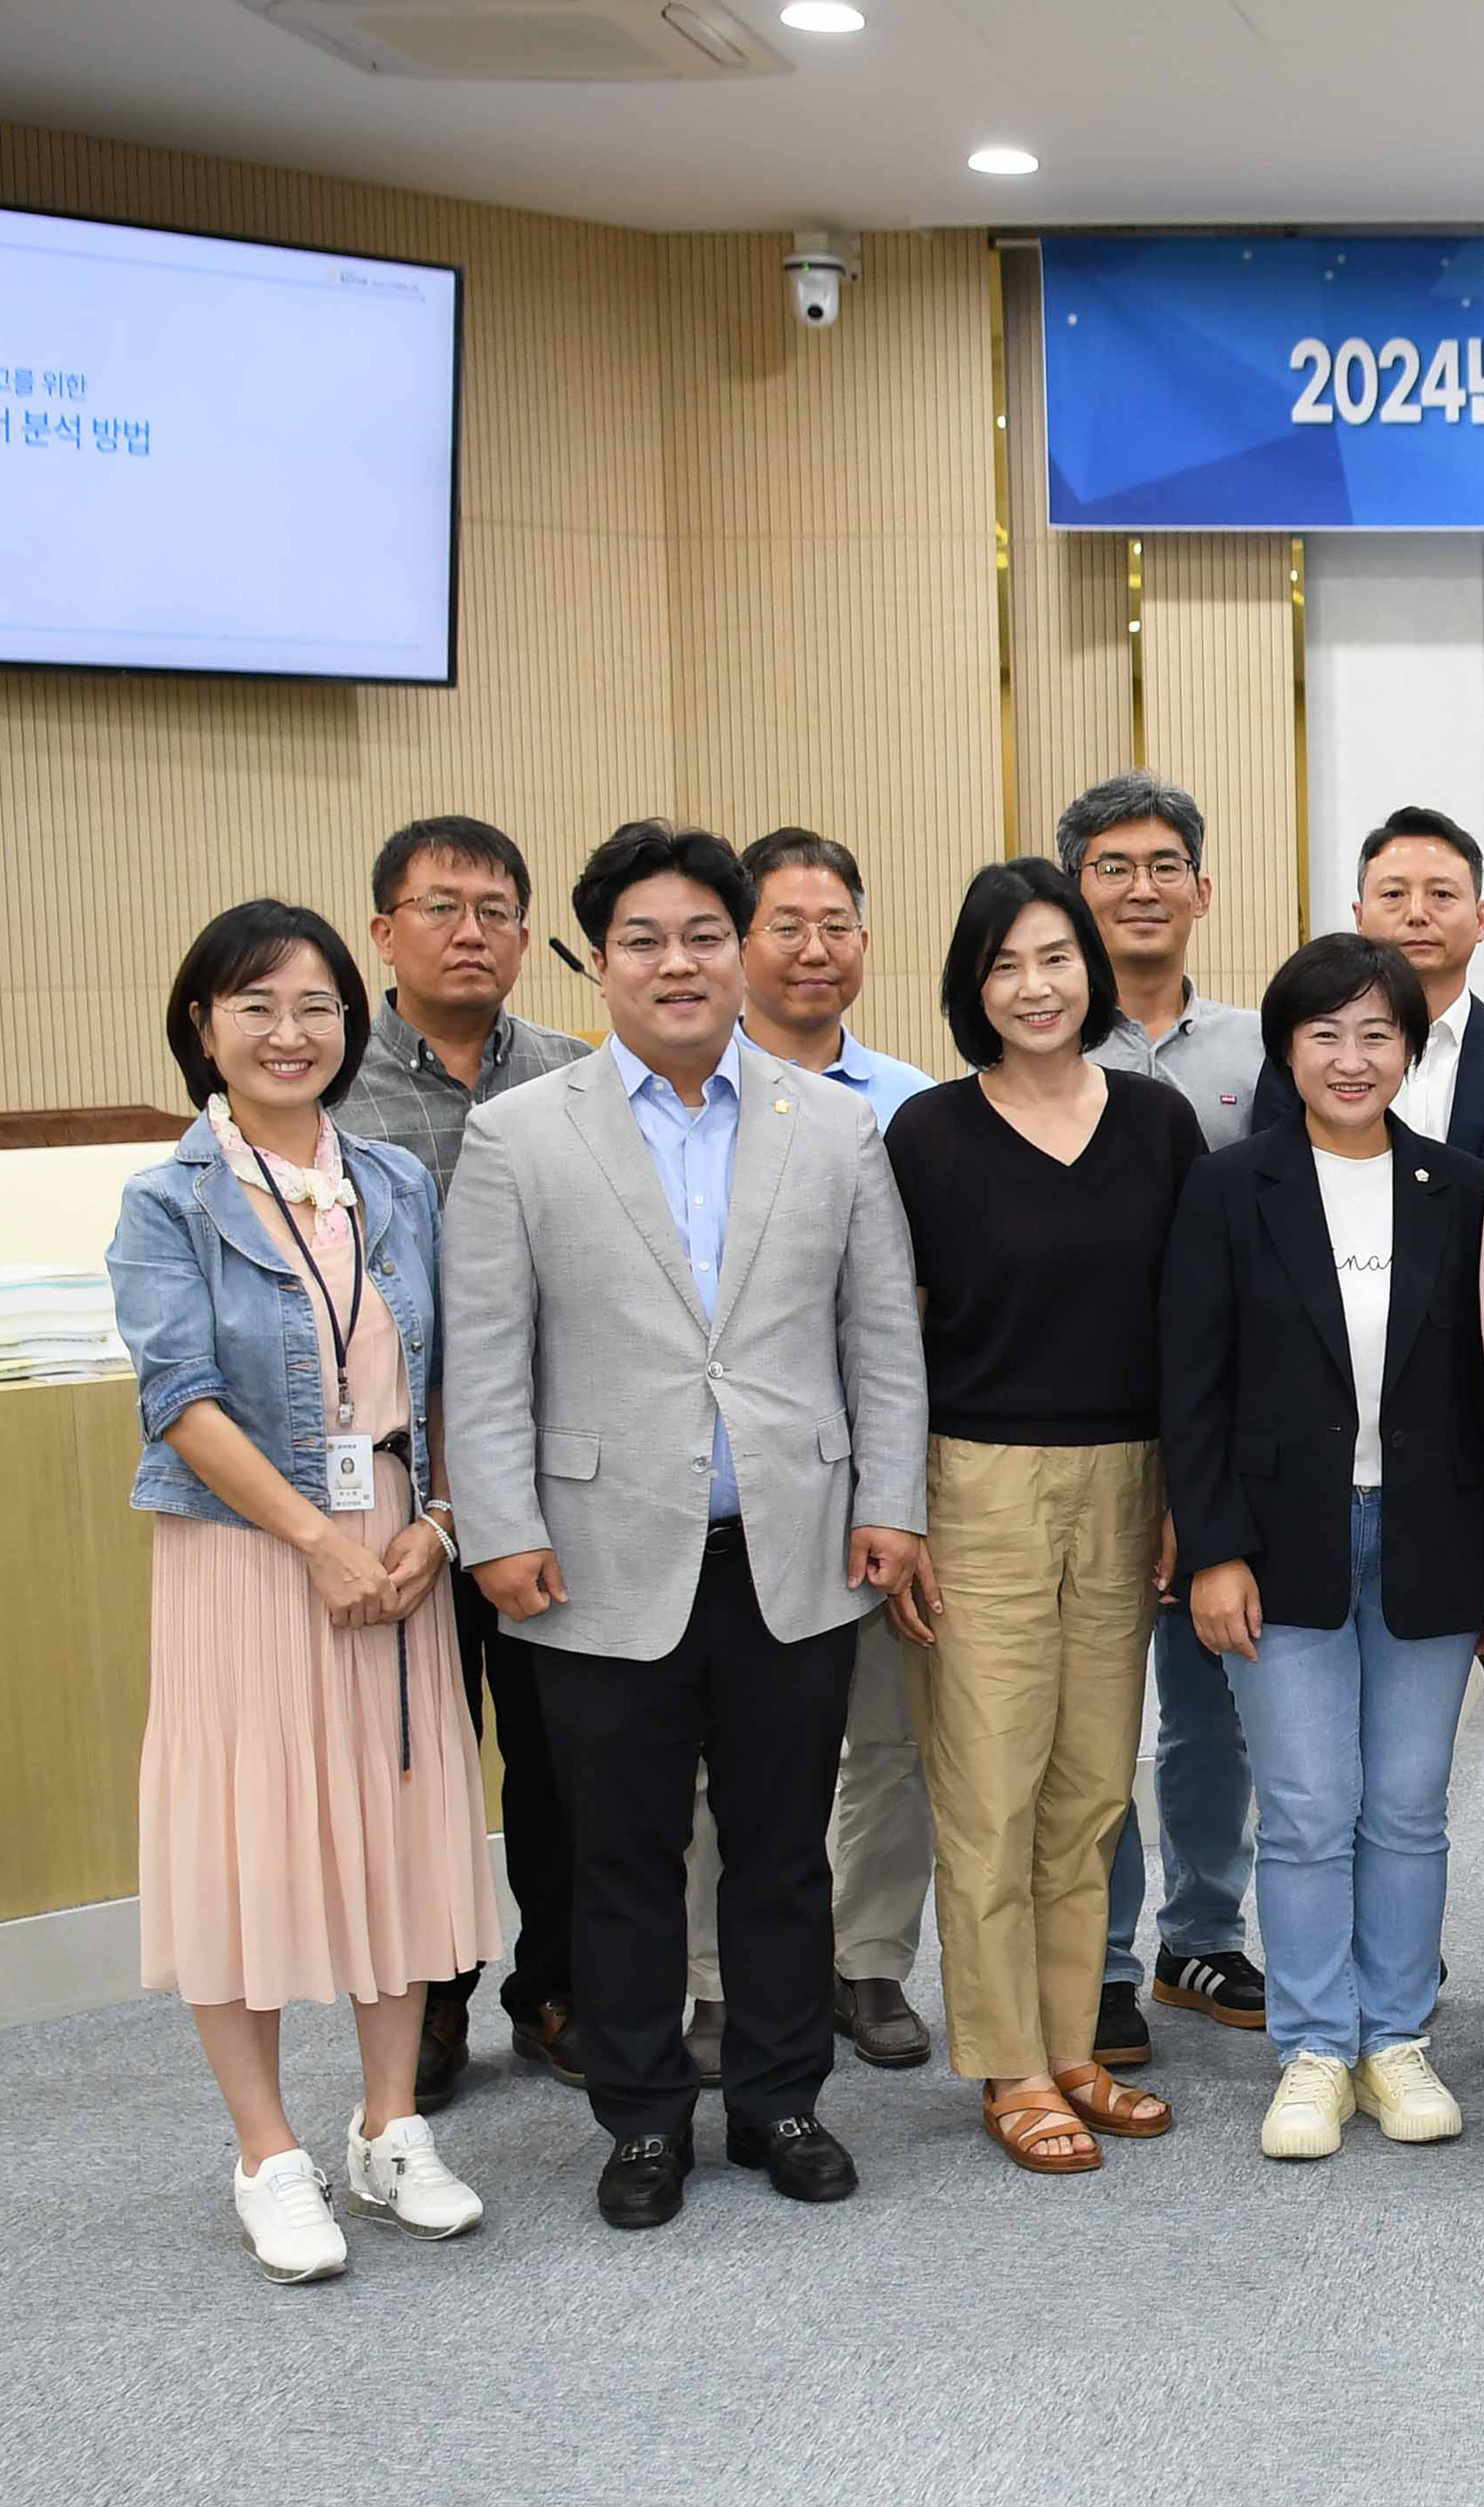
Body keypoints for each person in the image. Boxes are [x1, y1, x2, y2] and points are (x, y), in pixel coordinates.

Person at [441, 821, 931, 2232]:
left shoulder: (831, 1120)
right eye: (642, 940)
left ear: (741, 952)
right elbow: (487, 1355)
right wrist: (498, 1527)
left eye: (703, 936)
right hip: (593, 1558)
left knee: (784, 1848)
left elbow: (877, 1334)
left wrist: (890, 1501)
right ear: (598, 961)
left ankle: (782, 2098)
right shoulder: (519, 1133)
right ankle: (644, 2117)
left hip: (793, 1547)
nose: (677, 962)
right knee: (625, 1854)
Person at [113, 902, 498, 2280]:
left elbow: (451, 1374)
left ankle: (389, 2123)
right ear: (203, 1028)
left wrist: (439, 1524)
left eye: (318, 1006)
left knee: (397, 1819)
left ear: (352, 1023)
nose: (291, 1032)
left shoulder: (394, 1179)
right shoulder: (168, 1198)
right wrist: (314, 1540)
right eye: (256, 1005)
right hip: (246, 1556)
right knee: (249, 1840)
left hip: (397, 1544)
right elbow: (180, 1398)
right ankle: (266, 2150)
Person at [1162, 933, 1484, 2162]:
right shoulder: (1227, 1188)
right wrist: (1210, 1549)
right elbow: (1190, 1389)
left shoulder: (1466, 1189)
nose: (1351, 1058)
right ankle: (1315, 2044)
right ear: (1285, 1048)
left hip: (1431, 1537)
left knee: (1408, 1809)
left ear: (1411, 1048)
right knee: (1309, 1810)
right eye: (1325, 1033)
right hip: (1275, 1543)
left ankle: (1394, 2040)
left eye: (1377, 1033)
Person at [885, 861, 1201, 2171]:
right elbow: (883, 1341)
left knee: (1088, 1793)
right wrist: (894, 1508)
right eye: (1006, 963)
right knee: (989, 1791)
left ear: (1090, 971)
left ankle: (1074, 2040)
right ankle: (1009, 2061)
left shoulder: (1157, 1122)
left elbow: (1192, 1325)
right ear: (973, 983)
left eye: (1055, 957)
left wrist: (1188, 1488)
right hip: (978, 1488)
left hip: (1127, 1480)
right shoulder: (928, 1134)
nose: (1035, 985)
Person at [667, 827, 943, 2083]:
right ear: (734, 942)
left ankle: (868, 1955)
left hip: (880, 1469)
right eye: (785, 924)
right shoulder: (684, 1103)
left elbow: (911, 1313)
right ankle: (720, 1979)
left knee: (885, 1737)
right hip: (730, 1480)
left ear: (866, 943)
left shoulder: (911, 1104)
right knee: (731, 1756)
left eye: (837, 924)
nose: (813, 949)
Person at [329, 815, 591, 2108]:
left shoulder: (576, 1075)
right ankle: (428, 2000)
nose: (470, 929)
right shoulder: (330, 1080)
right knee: (418, 1753)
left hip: (549, 1476)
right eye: (440, 907)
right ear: (384, 931)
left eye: (495, 908)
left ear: (529, 936)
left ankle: (555, 1987)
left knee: (554, 1753)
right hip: (390, 1488)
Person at [1074, 770, 1273, 2057]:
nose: (1139, 888)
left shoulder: (1266, 1047)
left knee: (1213, 1711)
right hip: (1078, 1434)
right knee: (1089, 1711)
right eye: (1110, 866)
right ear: (1074, 890)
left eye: (1163, 865)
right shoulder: (1034, 1040)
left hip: (1229, 1437)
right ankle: (1093, 1955)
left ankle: (1201, 1934)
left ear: (1203, 889)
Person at [1250, 805, 1484, 1171]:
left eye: (1441, 895)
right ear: (1359, 917)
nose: (1418, 913)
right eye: (1393, 895)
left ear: (1481, 919)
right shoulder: (1307, 1054)